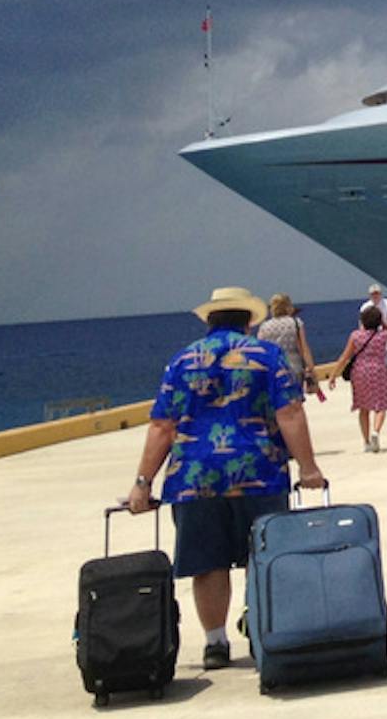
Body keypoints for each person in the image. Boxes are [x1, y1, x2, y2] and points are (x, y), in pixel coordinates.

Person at [125, 286, 325, 671]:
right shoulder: (267, 356)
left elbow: (162, 426)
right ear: (249, 322)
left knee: (207, 562)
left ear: (209, 321)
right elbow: (289, 413)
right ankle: (261, 628)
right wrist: (308, 468)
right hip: (259, 473)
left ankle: (215, 642)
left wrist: (143, 482)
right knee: (261, 555)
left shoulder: (182, 361)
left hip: (194, 477)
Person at [337, 303, 387, 452]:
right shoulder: (382, 336)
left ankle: (366, 442)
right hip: (378, 371)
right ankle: (376, 431)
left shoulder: (355, 336)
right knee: (381, 405)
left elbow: (345, 356)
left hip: (359, 372)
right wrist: (383, 323)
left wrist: (333, 376)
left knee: (363, 407)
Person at [256, 292, 323, 403]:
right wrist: (311, 368)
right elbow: (304, 348)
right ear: (288, 306)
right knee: (296, 402)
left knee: (277, 403)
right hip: (294, 367)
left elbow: (260, 351)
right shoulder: (296, 323)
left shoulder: (264, 327)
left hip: (273, 368)